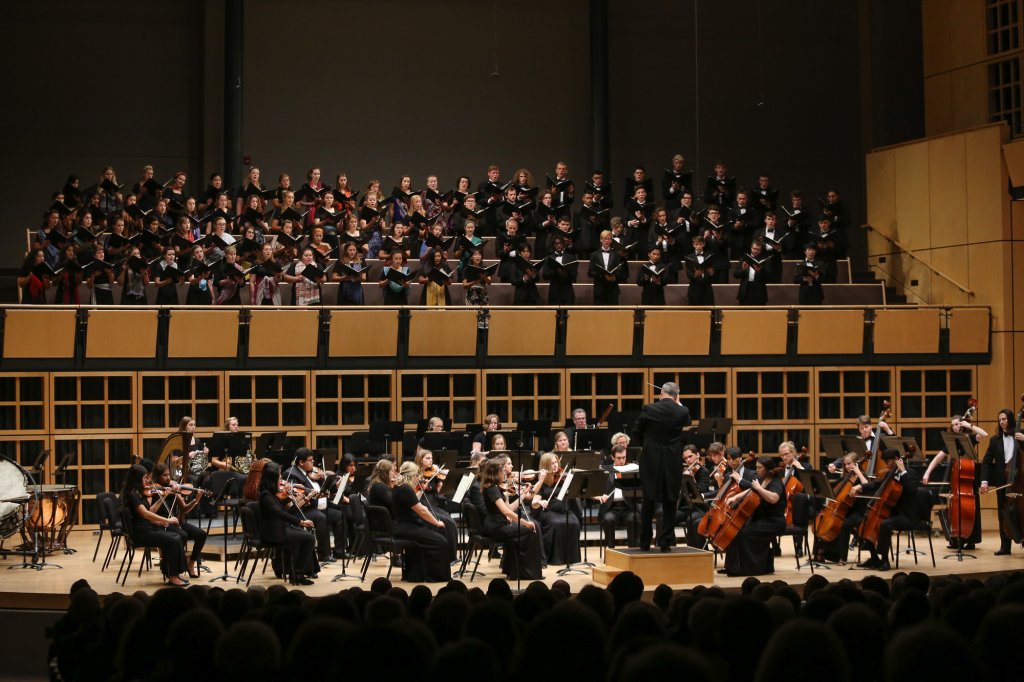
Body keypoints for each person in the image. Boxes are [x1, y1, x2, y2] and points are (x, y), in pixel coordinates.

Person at [631, 381, 692, 551]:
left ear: (661, 394)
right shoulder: (682, 411)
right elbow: (688, 420)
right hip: (672, 461)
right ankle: (665, 543)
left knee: (649, 500)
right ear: (676, 396)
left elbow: (636, 431)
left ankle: (644, 542)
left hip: (651, 460)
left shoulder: (650, 409)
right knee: (670, 500)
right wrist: (678, 403)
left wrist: (648, 444)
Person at [922, 414, 988, 551]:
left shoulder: (969, 438)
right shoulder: (950, 441)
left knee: (971, 507)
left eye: (957, 424)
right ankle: (955, 537)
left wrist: (969, 425)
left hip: (967, 473)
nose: (955, 427)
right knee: (951, 503)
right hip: (954, 471)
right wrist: (927, 472)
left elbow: (984, 434)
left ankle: (971, 539)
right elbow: (938, 458)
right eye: (953, 425)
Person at [119, 463, 189, 586]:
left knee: (177, 537)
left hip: (147, 528)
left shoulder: (138, 493)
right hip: (141, 533)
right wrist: (168, 520)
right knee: (173, 540)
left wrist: (164, 497)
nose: (147, 480)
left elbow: (150, 511)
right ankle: (172, 576)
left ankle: (173, 573)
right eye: (145, 477)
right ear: (137, 479)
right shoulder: (132, 495)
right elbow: (145, 514)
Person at [720, 456, 787, 577]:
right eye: (756, 467)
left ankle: (750, 568)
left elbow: (773, 498)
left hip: (773, 521)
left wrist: (759, 488)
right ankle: (732, 567)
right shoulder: (762, 479)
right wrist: (736, 497)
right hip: (761, 518)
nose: (757, 470)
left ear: (768, 469)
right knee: (736, 531)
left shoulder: (775, 482)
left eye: (760, 468)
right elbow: (752, 488)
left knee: (744, 533)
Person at [479, 457, 543, 580]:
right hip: (495, 527)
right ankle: (526, 572)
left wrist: (524, 494)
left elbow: (510, 507)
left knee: (531, 529)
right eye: (503, 471)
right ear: (496, 473)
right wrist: (525, 523)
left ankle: (518, 570)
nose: (505, 473)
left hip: (500, 524)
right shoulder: (492, 489)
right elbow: (506, 511)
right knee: (531, 530)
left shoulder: (496, 487)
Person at [856, 449, 919, 571]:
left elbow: (912, 491)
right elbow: (877, 484)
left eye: (887, 461)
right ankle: (874, 558)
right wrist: (861, 486)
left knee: (884, 525)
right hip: (891, 512)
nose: (885, 464)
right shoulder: (890, 474)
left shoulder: (911, 473)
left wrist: (903, 471)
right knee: (864, 522)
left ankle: (885, 560)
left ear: (896, 459)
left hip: (906, 515)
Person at [257, 461, 316, 585]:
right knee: (309, 538)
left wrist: (300, 500)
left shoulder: (271, 494)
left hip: (280, 529)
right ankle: (297, 574)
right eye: (279, 477)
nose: (281, 480)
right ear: (272, 479)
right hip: (272, 534)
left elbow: (285, 512)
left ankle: (296, 572)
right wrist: (301, 522)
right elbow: (280, 514)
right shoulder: (265, 496)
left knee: (305, 536)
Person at [391, 461, 451, 582]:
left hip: (403, 526)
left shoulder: (400, 487)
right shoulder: (405, 489)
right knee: (440, 541)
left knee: (433, 535)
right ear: (412, 475)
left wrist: (420, 491)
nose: (418, 478)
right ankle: (436, 576)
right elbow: (421, 511)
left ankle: (420, 574)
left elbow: (412, 503)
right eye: (417, 475)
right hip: (406, 527)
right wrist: (436, 522)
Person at [285, 448, 345, 562]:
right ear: (301, 462)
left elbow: (323, 490)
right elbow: (299, 494)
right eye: (310, 461)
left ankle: (339, 551)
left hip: (318, 506)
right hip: (304, 509)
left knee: (339, 515)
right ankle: (324, 554)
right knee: (321, 518)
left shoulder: (309, 473)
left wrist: (325, 479)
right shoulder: (292, 473)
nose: (313, 463)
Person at [150, 462, 207, 578]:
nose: (168, 478)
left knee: (201, 534)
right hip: (161, 524)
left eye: (168, 475)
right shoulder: (154, 490)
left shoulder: (174, 488)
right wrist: (165, 495)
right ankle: (174, 567)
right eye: (164, 475)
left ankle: (190, 564)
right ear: (157, 476)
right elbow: (151, 512)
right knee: (182, 535)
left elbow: (185, 509)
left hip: (175, 522)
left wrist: (196, 500)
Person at [981, 408, 1024, 555]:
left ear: (1010, 420)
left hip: (1020, 481)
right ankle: (1005, 547)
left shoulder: (1021, 434)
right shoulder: (995, 440)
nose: (1002, 422)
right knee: (1003, 513)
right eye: (1000, 420)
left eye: (1004, 419)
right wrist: (984, 481)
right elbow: (986, 462)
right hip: (1002, 482)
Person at [531, 451, 581, 566]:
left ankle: (572, 559)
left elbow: (579, 491)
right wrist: (540, 501)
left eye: (556, 462)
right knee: (556, 524)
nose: (555, 466)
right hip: (549, 512)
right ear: (546, 466)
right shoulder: (542, 482)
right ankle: (555, 558)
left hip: (564, 510)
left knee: (574, 522)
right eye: (552, 463)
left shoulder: (564, 478)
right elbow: (534, 503)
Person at [414, 449, 458, 562]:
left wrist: (439, 481)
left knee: (451, 523)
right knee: (443, 522)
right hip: (424, 504)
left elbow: (437, 493)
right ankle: (442, 555)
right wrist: (423, 485)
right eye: (427, 458)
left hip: (435, 504)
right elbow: (415, 495)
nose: (431, 461)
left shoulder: (433, 473)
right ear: (420, 460)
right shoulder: (416, 475)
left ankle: (451, 556)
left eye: (431, 458)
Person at [596, 444, 638, 548]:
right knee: (608, 519)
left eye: (624, 457)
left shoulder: (631, 470)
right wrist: (600, 496)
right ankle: (610, 552)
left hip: (627, 507)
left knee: (633, 519)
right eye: (618, 458)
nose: (622, 461)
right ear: (612, 457)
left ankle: (633, 550)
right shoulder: (605, 470)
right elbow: (595, 489)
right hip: (611, 508)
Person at [588, 230, 628, 305]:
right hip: (599, 290)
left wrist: (613, 278)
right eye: (605, 238)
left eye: (609, 239)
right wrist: (602, 275)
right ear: (601, 240)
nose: (607, 241)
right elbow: (590, 272)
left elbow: (619, 271)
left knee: (613, 315)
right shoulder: (594, 255)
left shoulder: (616, 255)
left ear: (611, 241)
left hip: (612, 290)